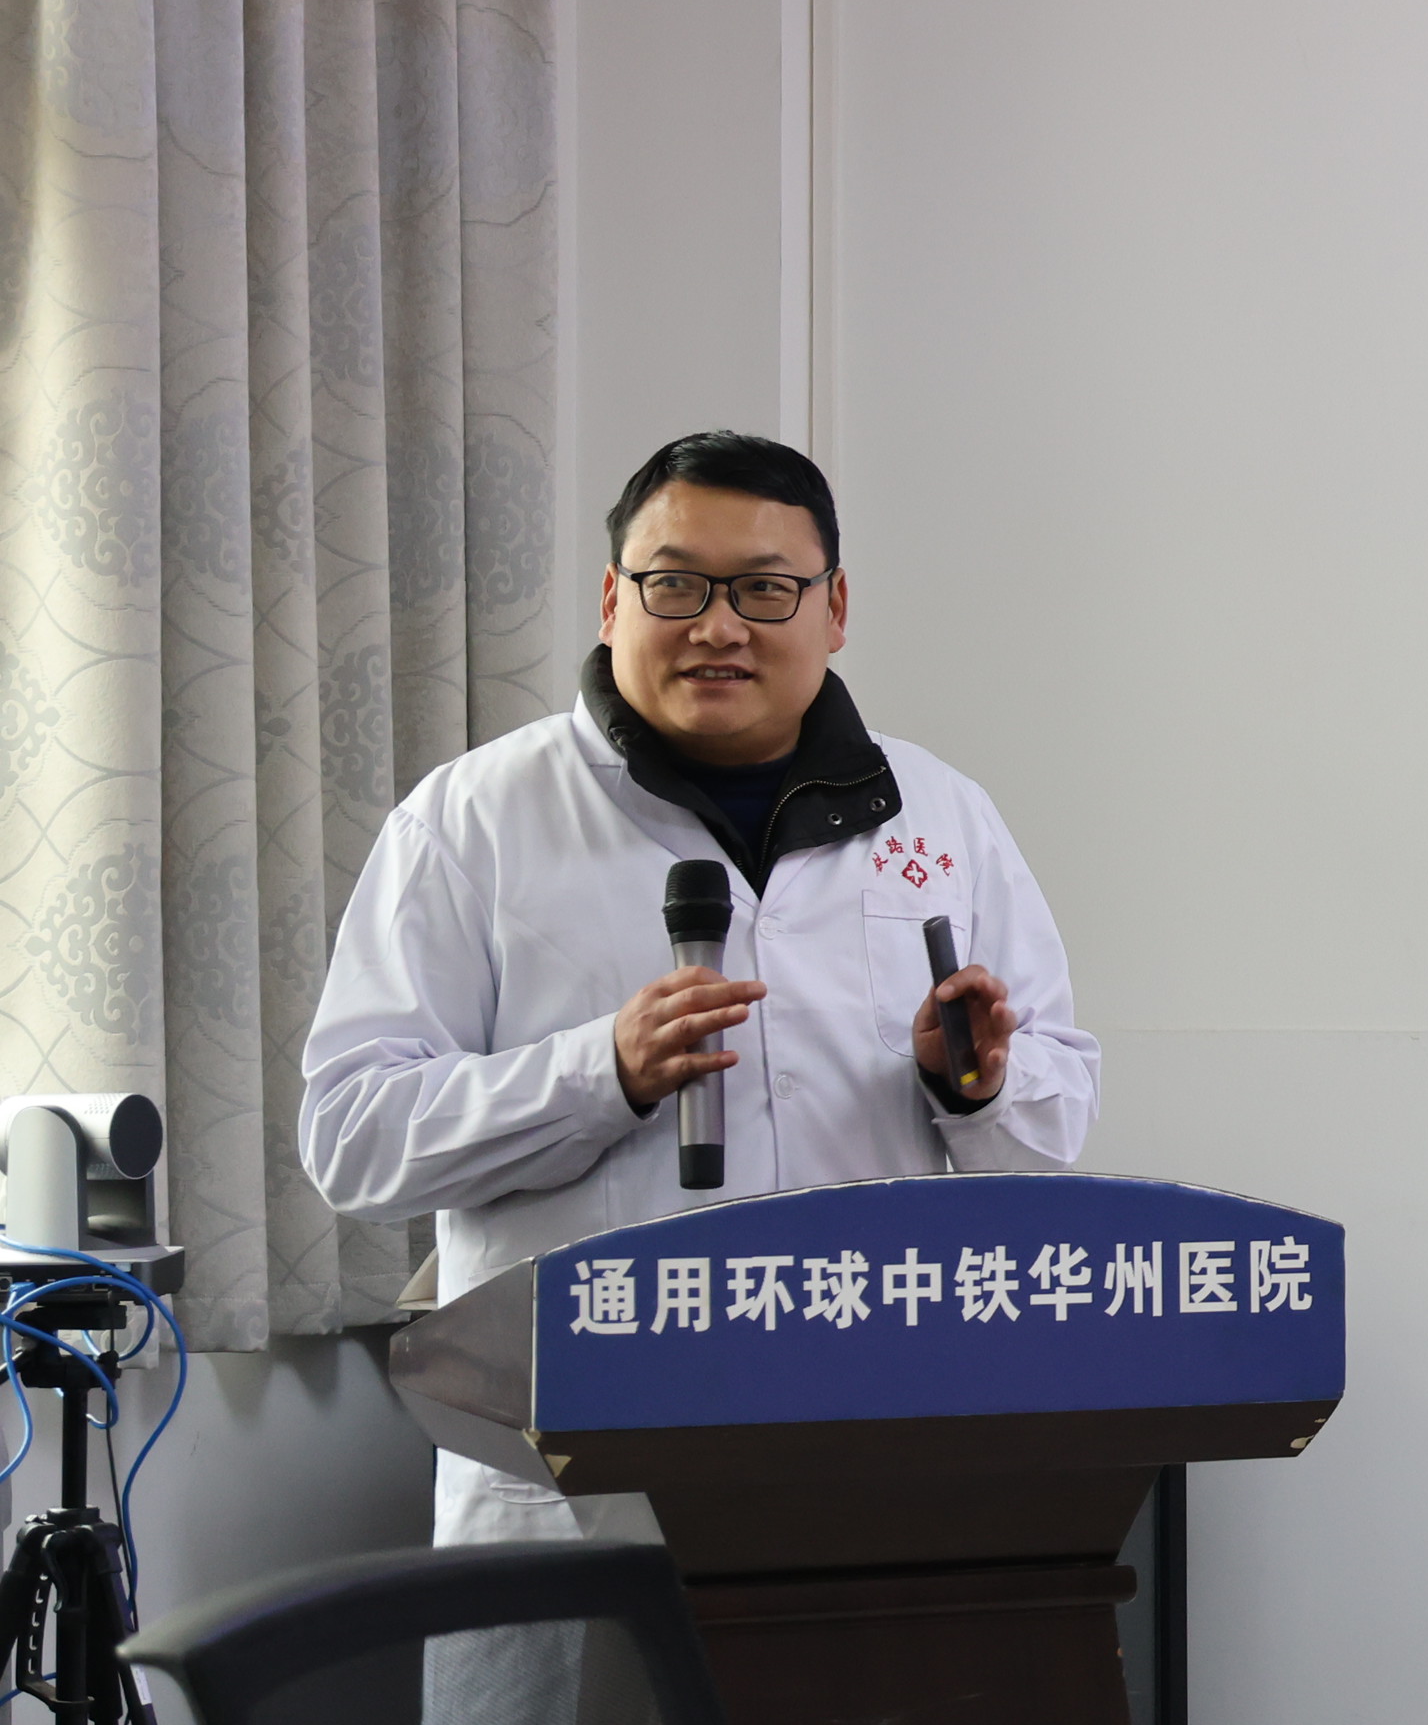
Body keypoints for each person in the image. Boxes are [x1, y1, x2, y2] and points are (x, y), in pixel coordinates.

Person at [300, 430, 1102, 1545]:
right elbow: (352, 1137)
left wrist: (975, 1090)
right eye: (675, 584)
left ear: (834, 608)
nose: (718, 626)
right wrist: (602, 1074)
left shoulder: (943, 814)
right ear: (610, 600)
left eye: (766, 589)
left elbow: (1056, 1131)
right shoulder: (474, 820)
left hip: (873, 1450)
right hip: (584, 1487)